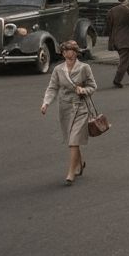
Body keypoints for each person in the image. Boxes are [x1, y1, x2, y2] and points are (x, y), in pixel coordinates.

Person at [40, 40, 98, 186]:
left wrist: (83, 90)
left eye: (69, 50)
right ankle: (80, 162)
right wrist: (46, 103)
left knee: (73, 140)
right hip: (65, 108)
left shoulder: (84, 68)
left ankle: (71, 172)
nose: (66, 53)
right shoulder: (58, 69)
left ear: (76, 52)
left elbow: (93, 86)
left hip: (80, 107)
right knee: (72, 139)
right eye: (64, 50)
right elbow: (52, 87)